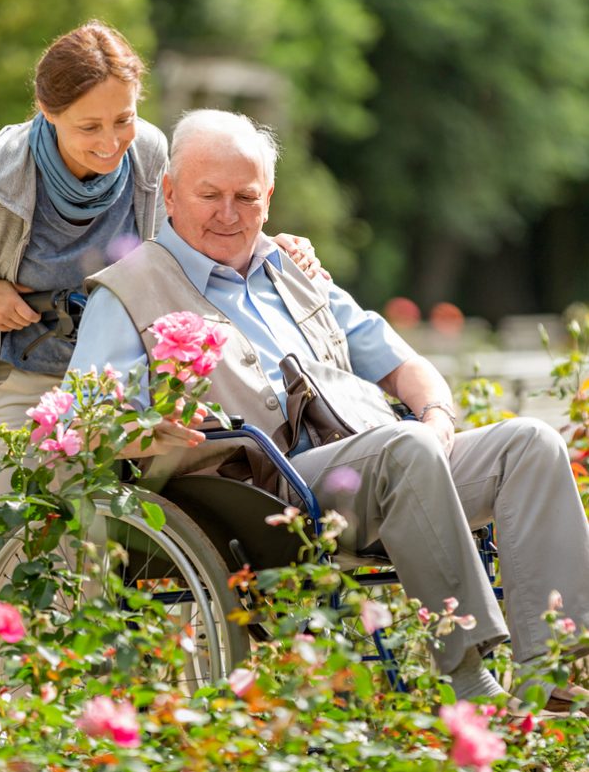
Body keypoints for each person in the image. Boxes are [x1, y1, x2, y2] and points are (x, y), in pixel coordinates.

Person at [68, 109, 589, 711]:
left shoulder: (293, 270)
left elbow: (402, 363)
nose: (228, 213)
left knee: (529, 442)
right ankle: (466, 675)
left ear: (269, 197)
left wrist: (438, 415)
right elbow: (92, 417)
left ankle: (547, 672)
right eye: (209, 194)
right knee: (406, 446)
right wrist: (149, 430)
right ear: (170, 193)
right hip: (259, 493)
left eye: (246, 196)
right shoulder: (128, 292)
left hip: (378, 465)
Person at [0, 22, 318, 518]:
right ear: (48, 114)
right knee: (0, 513)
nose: (111, 142)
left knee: (100, 534)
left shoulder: (149, 153)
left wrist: (269, 242)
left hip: (121, 368)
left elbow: (191, 235)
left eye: (123, 118)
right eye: (89, 127)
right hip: (23, 369)